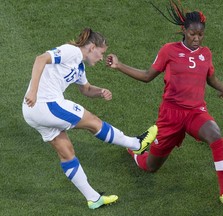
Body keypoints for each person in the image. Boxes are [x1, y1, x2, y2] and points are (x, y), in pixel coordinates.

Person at [106, 1, 223, 211]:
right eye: (192, 33)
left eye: (200, 35)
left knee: (215, 136)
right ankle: (134, 149)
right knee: (151, 167)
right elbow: (148, 76)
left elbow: (210, 78)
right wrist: (119, 65)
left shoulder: (206, 54)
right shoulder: (169, 50)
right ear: (183, 30)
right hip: (170, 116)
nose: (196, 38)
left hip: (195, 112)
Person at [22, 28, 158, 210]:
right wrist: (33, 91)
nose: (101, 58)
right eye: (101, 53)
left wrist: (100, 91)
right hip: (45, 104)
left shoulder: (79, 66)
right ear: (92, 47)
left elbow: (85, 89)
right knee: (93, 122)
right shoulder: (71, 51)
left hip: (33, 113)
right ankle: (136, 144)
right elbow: (41, 59)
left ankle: (93, 198)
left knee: (66, 152)